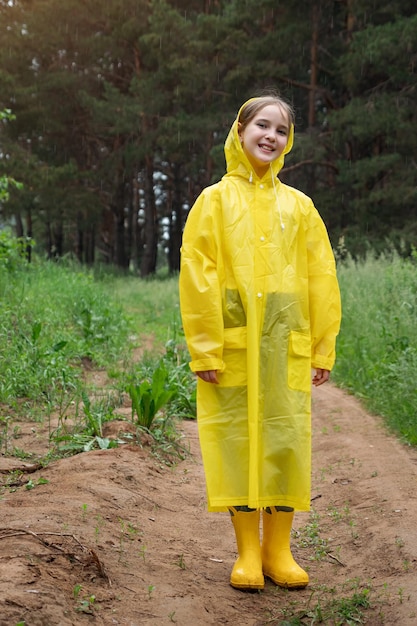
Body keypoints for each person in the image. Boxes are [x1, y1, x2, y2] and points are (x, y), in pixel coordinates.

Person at [179, 94, 341, 591]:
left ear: (288, 142)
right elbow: (197, 275)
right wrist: (206, 347)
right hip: (233, 347)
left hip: (284, 344)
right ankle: (248, 551)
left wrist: (320, 345)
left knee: (284, 442)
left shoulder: (301, 206)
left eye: (282, 131)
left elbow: (320, 277)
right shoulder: (214, 201)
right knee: (236, 443)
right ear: (240, 131)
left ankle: (279, 550)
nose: (271, 136)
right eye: (263, 126)